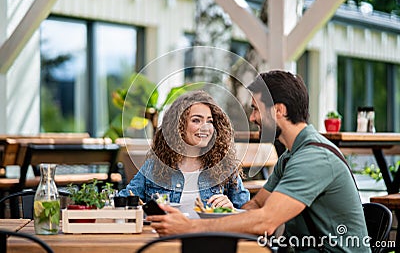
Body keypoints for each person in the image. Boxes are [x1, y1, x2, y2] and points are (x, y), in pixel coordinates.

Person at [147, 70, 370, 252]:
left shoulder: (314, 159)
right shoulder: (291, 156)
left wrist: (191, 228)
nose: (252, 118)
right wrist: (220, 210)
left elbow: (265, 222)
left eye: (255, 108)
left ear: (279, 110)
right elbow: (254, 206)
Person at [119, 90, 249, 218]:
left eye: (209, 121)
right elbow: (123, 200)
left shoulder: (225, 167)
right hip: (168, 237)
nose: (205, 127)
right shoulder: (154, 167)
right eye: (196, 120)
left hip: (208, 236)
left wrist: (232, 210)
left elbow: (249, 213)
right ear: (178, 125)